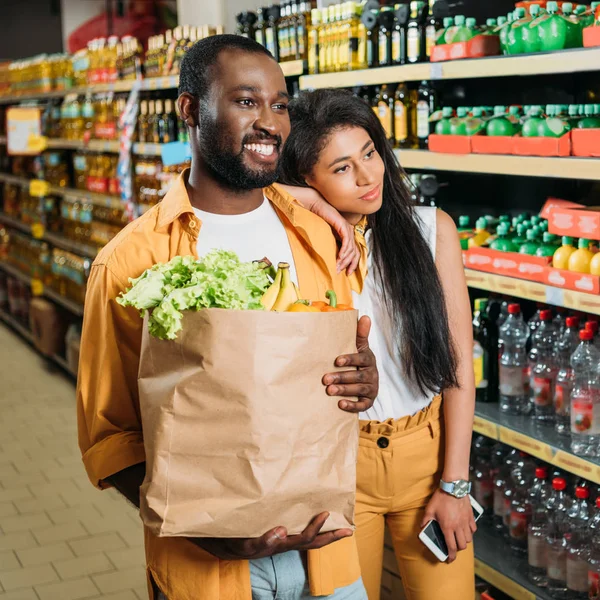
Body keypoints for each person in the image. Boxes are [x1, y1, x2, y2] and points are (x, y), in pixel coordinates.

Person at [76, 36, 379, 600]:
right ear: (191, 109)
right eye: (245, 102)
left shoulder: (316, 236)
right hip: (208, 570)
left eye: (280, 104)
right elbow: (109, 437)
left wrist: (364, 377)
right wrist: (202, 523)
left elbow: (337, 365)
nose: (269, 122)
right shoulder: (129, 262)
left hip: (328, 557)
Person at [277, 88, 476, 600]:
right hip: (338, 469)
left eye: (370, 153)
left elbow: (457, 368)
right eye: (341, 168)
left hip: (427, 460)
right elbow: (208, 192)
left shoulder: (431, 229)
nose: (368, 176)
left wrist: (455, 485)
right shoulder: (293, 245)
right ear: (306, 178)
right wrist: (313, 206)